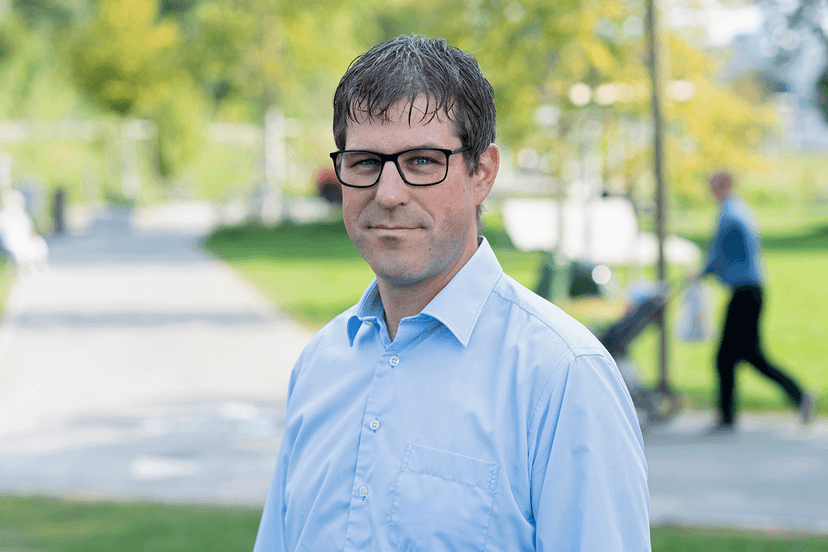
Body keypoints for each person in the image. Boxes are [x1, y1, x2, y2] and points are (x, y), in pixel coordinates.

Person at [253, 35, 650, 551]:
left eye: (421, 161)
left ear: (481, 172)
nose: (387, 193)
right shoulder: (320, 365)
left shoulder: (561, 376)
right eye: (364, 162)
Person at [696, 171, 816, 433]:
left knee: (732, 357)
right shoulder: (738, 210)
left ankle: (731, 415)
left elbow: (718, 253)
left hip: (744, 293)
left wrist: (701, 273)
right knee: (742, 356)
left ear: (723, 186)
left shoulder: (729, 215)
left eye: (712, 185)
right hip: (749, 291)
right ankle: (732, 414)